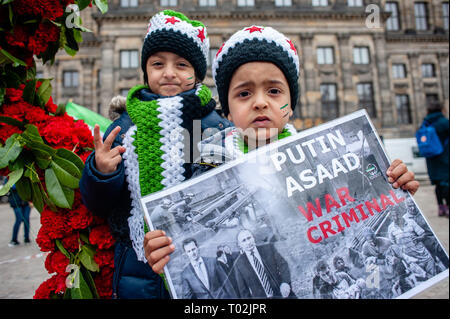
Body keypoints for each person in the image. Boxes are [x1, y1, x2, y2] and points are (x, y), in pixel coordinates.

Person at [143, 25, 420, 289]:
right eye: (244, 93)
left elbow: (355, 199)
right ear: (227, 111)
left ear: (290, 107)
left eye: (274, 91)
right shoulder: (207, 158)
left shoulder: (320, 156)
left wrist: (395, 185)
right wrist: (162, 249)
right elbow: (181, 227)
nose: (260, 102)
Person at [79, 10, 232, 299]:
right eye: (158, 63)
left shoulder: (213, 126)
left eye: (182, 64)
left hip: (201, 252)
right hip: (138, 268)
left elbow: (223, 180)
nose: (169, 72)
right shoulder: (124, 127)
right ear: (146, 70)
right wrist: (101, 172)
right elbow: (97, 204)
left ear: (198, 74)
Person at [233, 228, 295, 298]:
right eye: (244, 240)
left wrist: (285, 283)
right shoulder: (238, 264)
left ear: (253, 238)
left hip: (282, 293)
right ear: (239, 245)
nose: (248, 242)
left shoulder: (268, 248)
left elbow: (283, 265)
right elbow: (243, 290)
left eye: (249, 238)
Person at [420, 101, 449, 217]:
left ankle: (441, 207)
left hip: (432, 159)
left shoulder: (426, 124)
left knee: (438, 185)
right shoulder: (444, 123)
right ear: (442, 110)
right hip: (445, 158)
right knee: (446, 183)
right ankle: (448, 207)